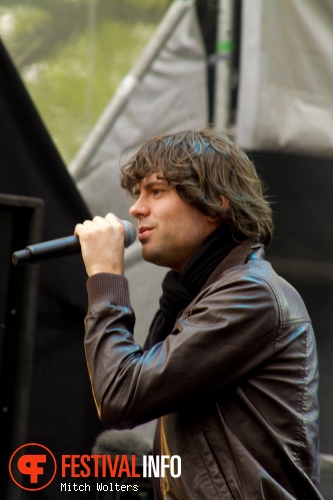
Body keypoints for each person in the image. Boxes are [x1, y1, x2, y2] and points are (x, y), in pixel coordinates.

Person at [75, 129, 322, 499]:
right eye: (138, 193)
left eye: (156, 192)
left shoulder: (250, 294)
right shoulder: (196, 296)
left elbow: (120, 396)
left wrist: (106, 277)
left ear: (216, 203)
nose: (136, 208)